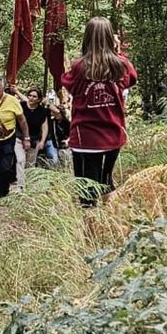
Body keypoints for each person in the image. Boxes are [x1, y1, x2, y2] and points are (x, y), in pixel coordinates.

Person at [62, 17, 138, 204]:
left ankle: (90, 219)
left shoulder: (79, 67)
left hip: (85, 137)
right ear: (110, 37)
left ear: (87, 38)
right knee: (106, 181)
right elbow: (132, 79)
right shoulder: (121, 64)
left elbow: (68, 84)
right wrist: (118, 52)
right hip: (113, 134)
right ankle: (108, 219)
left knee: (87, 190)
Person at [0, 74, 29, 202]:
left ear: (3, 88)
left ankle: (3, 193)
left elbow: (22, 120)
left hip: (8, 138)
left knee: (5, 167)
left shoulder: (12, 101)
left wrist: (26, 138)